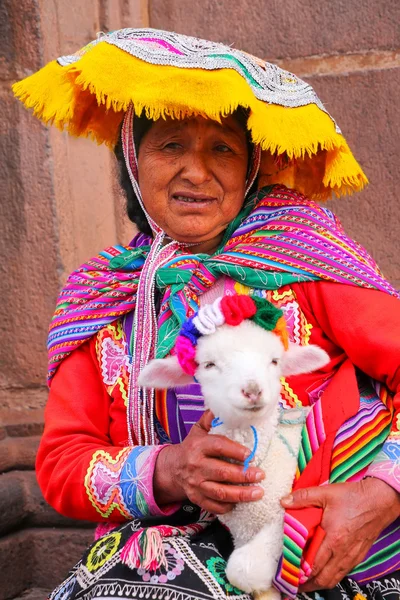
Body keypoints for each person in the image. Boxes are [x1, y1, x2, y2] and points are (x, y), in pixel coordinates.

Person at [13, 28, 400, 600]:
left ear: (249, 169)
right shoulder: (103, 292)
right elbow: (63, 462)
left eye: (222, 148)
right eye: (170, 146)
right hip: (167, 552)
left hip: (325, 554)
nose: (197, 172)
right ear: (132, 162)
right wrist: (170, 469)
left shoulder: (303, 258)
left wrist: (382, 493)